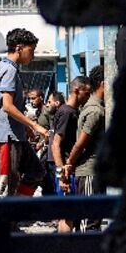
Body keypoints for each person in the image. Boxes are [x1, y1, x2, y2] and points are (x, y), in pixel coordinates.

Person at [0, 28, 50, 198]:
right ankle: (4, 221)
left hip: (18, 135)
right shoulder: (8, 69)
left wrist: (27, 128)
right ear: (19, 48)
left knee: (36, 171)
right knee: (6, 185)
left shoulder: (9, 68)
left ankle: (16, 213)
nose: (33, 56)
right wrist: (35, 125)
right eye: (31, 51)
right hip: (7, 137)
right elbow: (7, 106)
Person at [66, 66, 107, 230]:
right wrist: (69, 163)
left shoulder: (93, 107)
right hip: (89, 172)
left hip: (90, 172)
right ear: (104, 84)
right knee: (89, 224)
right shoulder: (95, 111)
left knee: (92, 221)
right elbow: (81, 143)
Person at [52, 76, 92, 230]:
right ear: (77, 91)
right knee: (67, 217)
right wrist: (62, 175)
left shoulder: (71, 111)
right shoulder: (67, 112)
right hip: (67, 171)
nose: (88, 97)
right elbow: (56, 144)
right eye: (86, 93)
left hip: (68, 170)